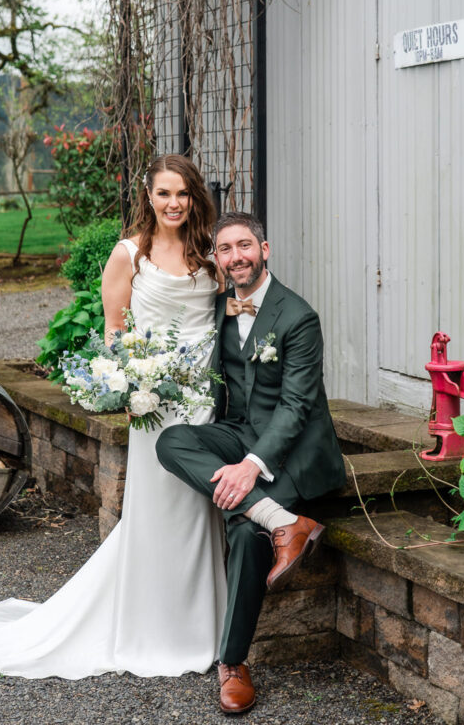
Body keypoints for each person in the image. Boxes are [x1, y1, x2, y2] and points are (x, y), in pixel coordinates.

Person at [0, 154, 227, 678]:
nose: (173, 203)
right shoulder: (129, 255)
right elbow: (115, 331)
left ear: (194, 196)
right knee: (161, 513)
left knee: (200, 510)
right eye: (164, 193)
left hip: (205, 401)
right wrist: (135, 381)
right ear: (149, 197)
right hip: (155, 405)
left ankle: (204, 623)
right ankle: (152, 629)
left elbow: (225, 318)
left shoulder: (209, 254)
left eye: (182, 193)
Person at [156, 210, 346, 714]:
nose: (235, 257)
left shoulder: (298, 316)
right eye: (225, 249)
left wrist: (251, 466)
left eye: (244, 246)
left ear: (265, 250)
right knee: (170, 442)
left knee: (242, 530)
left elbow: (296, 407)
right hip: (238, 431)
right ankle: (284, 521)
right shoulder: (220, 308)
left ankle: (233, 663)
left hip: (295, 451)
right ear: (217, 258)